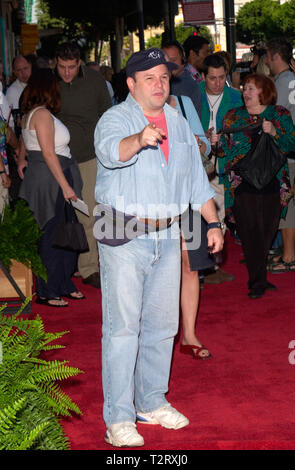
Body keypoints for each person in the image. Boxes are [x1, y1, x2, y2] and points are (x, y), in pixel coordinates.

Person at [93, 47, 223, 448]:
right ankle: (118, 417)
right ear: (131, 85)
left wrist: (213, 221)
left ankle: (150, 401)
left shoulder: (179, 122)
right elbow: (109, 153)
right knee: (122, 328)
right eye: (149, 78)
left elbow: (195, 182)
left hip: (169, 234)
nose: (159, 84)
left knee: (164, 325)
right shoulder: (114, 119)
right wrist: (139, 138)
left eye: (164, 77)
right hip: (124, 233)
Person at [212, 73, 295, 299]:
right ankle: (257, 282)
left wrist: (274, 132)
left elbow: (291, 144)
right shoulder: (233, 118)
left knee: (267, 232)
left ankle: (259, 276)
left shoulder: (278, 115)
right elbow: (223, 153)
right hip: (242, 185)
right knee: (250, 234)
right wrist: (216, 144)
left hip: (273, 183)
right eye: (245, 88)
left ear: (264, 92)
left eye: (250, 89)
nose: (245, 93)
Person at [18, 68, 84, 307]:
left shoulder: (29, 113)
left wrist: (21, 160)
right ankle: (48, 290)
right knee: (53, 236)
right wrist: (66, 186)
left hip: (47, 177)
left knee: (64, 233)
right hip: (52, 180)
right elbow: (47, 152)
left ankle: (62, 283)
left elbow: (28, 145)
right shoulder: (42, 115)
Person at [55, 42, 112, 289]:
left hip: (88, 157)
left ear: (79, 63)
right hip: (56, 158)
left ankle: (88, 267)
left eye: (71, 67)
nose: (66, 72)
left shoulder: (95, 82)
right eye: (61, 67)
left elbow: (108, 116)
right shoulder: (50, 83)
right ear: (54, 63)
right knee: (60, 215)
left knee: (88, 214)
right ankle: (65, 265)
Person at [167, 93, 214, 359]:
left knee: (190, 265)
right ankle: (157, 336)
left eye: (164, 76)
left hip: (188, 196)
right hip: (155, 204)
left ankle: (189, 334)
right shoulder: (133, 109)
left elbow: (205, 147)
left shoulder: (183, 104)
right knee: (160, 267)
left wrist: (198, 143)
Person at [200, 54, 243, 284]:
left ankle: (213, 265)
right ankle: (201, 266)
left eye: (222, 78)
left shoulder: (235, 97)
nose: (217, 83)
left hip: (224, 165)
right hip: (198, 163)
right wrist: (202, 137)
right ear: (203, 76)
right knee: (196, 215)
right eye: (212, 78)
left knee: (219, 214)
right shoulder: (193, 95)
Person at [265, 38, 295, 273]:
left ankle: (289, 256)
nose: (266, 60)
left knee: (288, 205)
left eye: (268, 56)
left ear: (276, 56)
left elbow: (275, 116)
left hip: (289, 151)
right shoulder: (291, 79)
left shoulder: (283, 82)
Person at [162, 40, 202, 118]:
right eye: (164, 61)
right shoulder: (162, 82)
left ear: (183, 60)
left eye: (173, 60)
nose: (169, 64)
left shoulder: (189, 86)